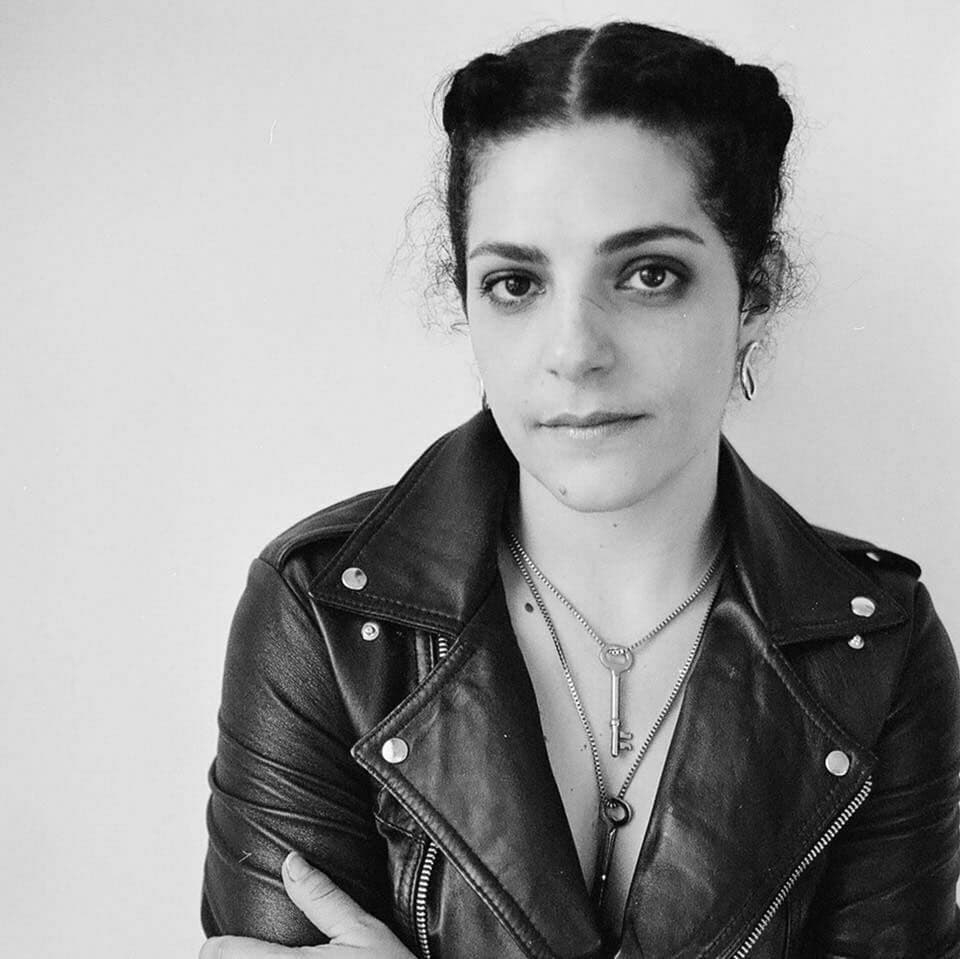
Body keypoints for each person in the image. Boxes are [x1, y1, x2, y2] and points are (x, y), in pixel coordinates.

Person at [199, 21, 960, 959]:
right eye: (516, 283)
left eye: (648, 275)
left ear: (752, 297)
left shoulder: (876, 645)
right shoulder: (320, 614)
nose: (573, 353)